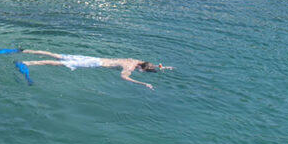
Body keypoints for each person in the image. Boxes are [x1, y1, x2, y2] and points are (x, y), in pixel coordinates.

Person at [18, 50, 172, 90]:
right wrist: (143, 84)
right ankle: (29, 63)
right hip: (93, 64)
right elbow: (124, 77)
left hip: (93, 58)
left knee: (59, 56)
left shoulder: (136, 61)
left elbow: (147, 64)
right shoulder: (129, 67)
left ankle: (25, 51)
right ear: (142, 69)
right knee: (59, 63)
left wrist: (161, 67)